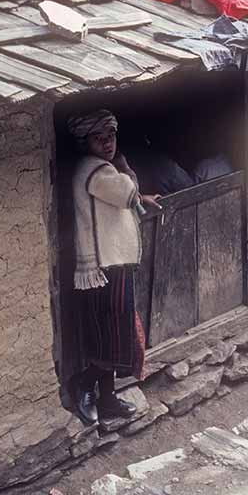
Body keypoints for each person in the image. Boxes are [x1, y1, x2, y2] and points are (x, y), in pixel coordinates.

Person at [67, 109, 161, 425]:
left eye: (111, 136)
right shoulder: (94, 169)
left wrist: (140, 197)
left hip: (110, 264)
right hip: (104, 267)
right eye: (99, 138)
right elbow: (125, 193)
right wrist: (125, 167)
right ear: (84, 143)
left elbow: (125, 199)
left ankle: (107, 399)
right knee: (112, 337)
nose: (107, 143)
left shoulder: (97, 168)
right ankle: (83, 383)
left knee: (112, 334)